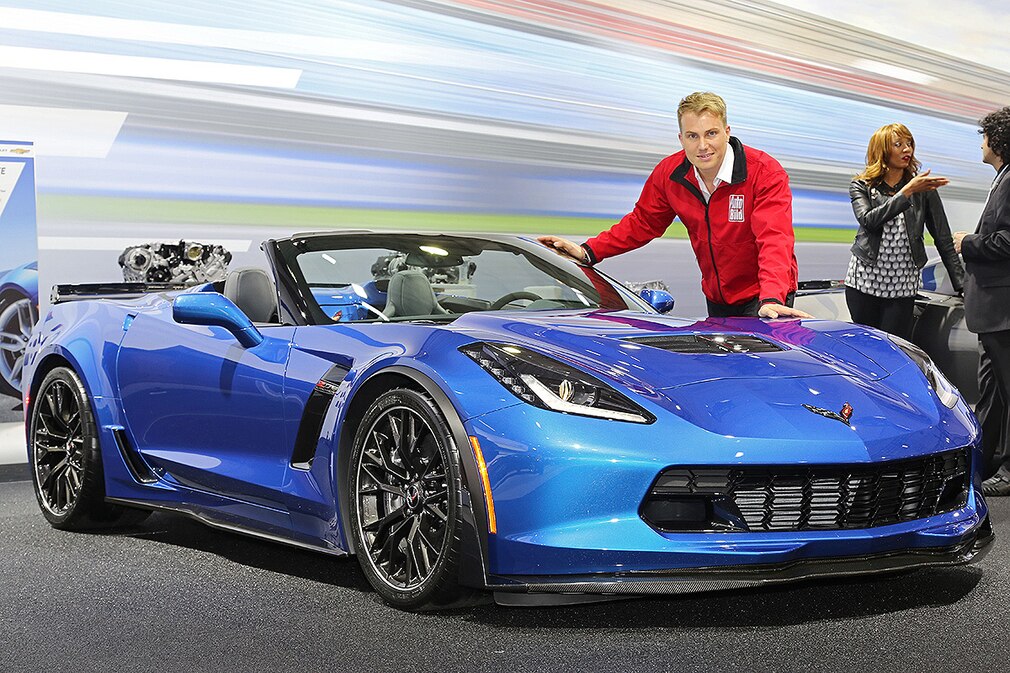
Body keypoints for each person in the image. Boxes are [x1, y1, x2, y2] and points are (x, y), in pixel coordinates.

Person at [538, 91, 810, 319]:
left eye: (711, 133)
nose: (703, 146)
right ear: (681, 139)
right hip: (718, 294)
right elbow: (643, 222)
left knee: (760, 369)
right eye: (692, 136)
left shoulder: (765, 172)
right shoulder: (669, 174)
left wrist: (772, 295)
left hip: (765, 295)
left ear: (727, 132)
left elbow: (774, 239)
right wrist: (588, 251)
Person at [844, 124, 964, 340]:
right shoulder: (861, 185)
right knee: (866, 350)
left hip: (902, 286)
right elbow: (869, 220)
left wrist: (961, 285)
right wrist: (906, 192)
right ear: (881, 150)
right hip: (863, 283)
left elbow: (943, 239)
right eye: (898, 145)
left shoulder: (923, 190)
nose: (907, 150)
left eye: (909, 144)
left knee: (894, 350)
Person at [953, 106, 1010, 495]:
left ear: (997, 141)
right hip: (992, 313)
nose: (982, 142)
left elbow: (1007, 240)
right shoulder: (1002, 178)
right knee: (992, 391)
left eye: (984, 136)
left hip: (1002, 311)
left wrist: (966, 243)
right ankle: (988, 462)